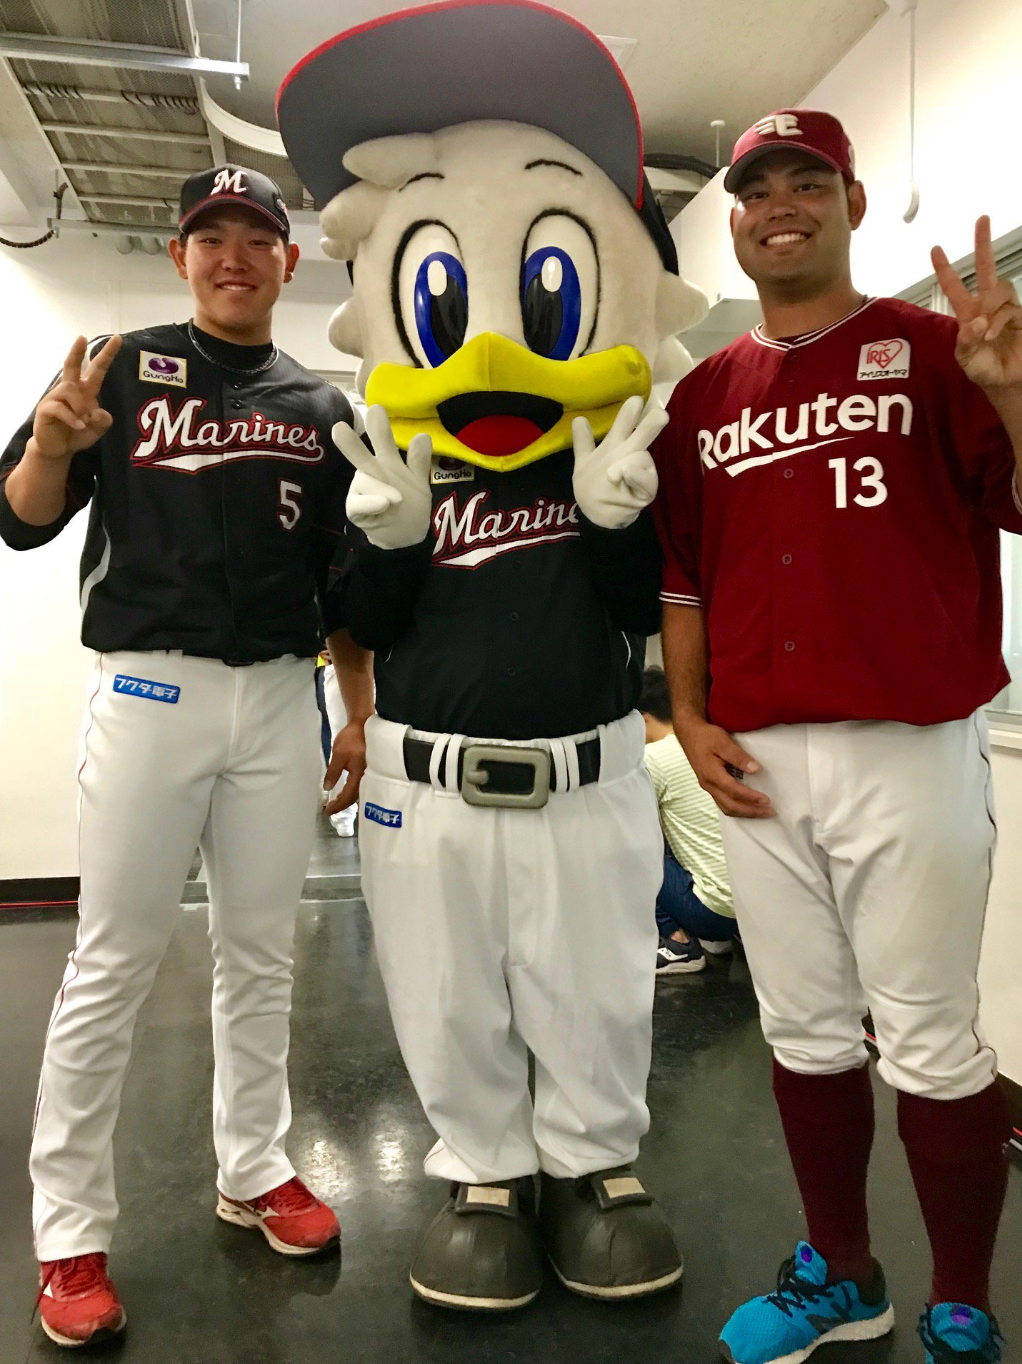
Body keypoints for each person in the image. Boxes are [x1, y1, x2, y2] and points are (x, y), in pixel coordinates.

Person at [277, 0, 708, 1313]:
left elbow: (637, 609)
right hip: (428, 776)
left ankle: (594, 1166)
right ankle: (480, 1166)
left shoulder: (606, 448)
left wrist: (623, 516)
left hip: (586, 770)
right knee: (447, 986)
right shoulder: (395, 456)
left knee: (591, 981)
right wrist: (392, 541)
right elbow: (368, 621)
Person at [653, 109, 1020, 1364]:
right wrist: (690, 718)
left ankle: (960, 1296)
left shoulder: (933, 351)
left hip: (906, 746)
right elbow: (681, 578)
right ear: (735, 222)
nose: (779, 203)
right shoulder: (704, 395)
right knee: (802, 1031)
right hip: (755, 757)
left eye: (808, 180)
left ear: (851, 205)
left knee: (927, 1036)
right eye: (756, 187)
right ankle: (840, 1275)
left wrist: (1009, 390)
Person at [0, 164, 373, 1349]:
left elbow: (341, 589)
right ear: (178, 257)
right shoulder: (110, 367)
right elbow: (15, 515)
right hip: (149, 688)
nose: (231, 255)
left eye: (254, 238)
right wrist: (55, 448)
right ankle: (67, 1231)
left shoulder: (319, 406)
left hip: (278, 701)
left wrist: (354, 707)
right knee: (113, 959)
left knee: (262, 952)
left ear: (286, 261)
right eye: (209, 237)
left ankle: (253, 1165)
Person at [638, 667, 738, 976]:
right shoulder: (710, 745)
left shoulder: (650, 758)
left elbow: (634, 832)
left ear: (641, 719)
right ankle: (716, 941)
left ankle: (679, 944)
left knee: (636, 847)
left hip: (711, 913)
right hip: (752, 908)